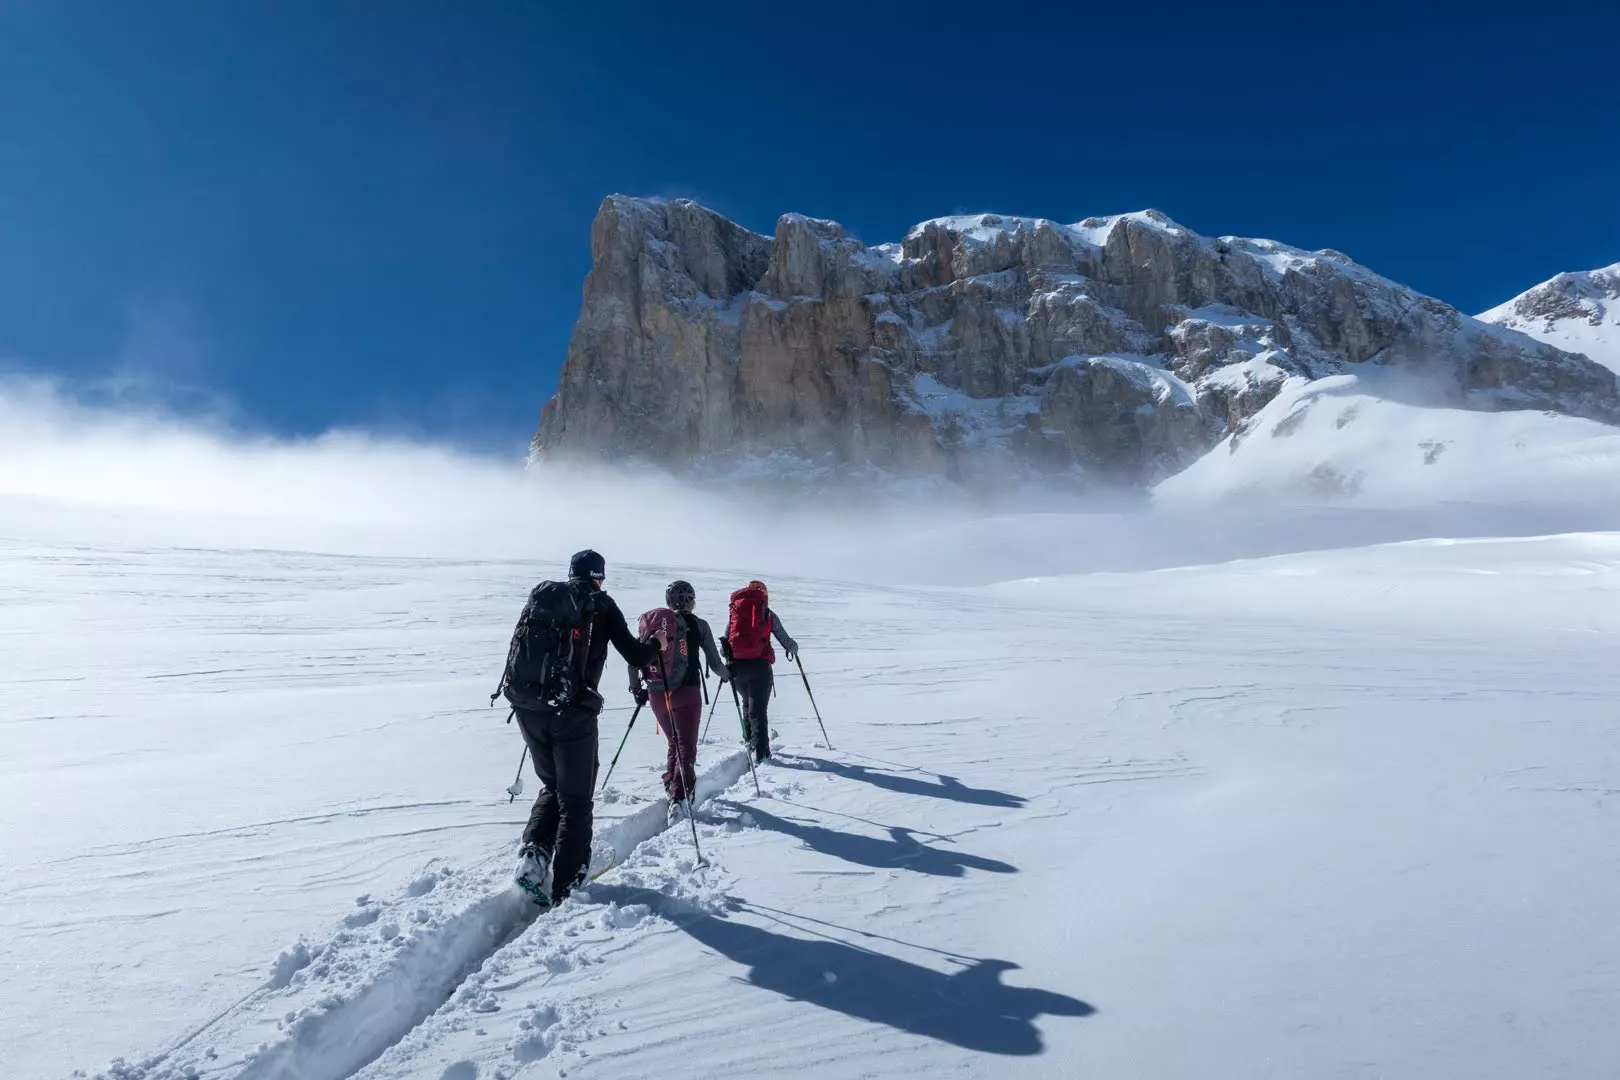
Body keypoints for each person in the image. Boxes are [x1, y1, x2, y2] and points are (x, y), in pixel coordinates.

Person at [501, 549, 665, 907]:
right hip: (573, 714)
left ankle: (532, 860)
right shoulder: (601, 605)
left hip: (529, 708)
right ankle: (567, 887)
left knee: (553, 786)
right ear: (599, 577)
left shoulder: (544, 599)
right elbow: (637, 656)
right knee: (575, 801)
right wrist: (657, 643)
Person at [629, 580, 728, 820]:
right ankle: (680, 798)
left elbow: (634, 660)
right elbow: (715, 663)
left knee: (674, 741)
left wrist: (636, 689)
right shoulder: (699, 625)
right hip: (687, 692)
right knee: (686, 747)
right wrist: (727, 674)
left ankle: (671, 783)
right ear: (691, 601)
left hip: (657, 694)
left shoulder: (654, 624)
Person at [721, 579, 798, 763]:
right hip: (760, 667)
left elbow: (725, 645)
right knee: (758, 710)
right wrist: (794, 648)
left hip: (737, 668)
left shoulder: (736, 611)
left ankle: (750, 742)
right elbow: (786, 641)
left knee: (747, 703)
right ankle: (762, 755)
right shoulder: (768, 614)